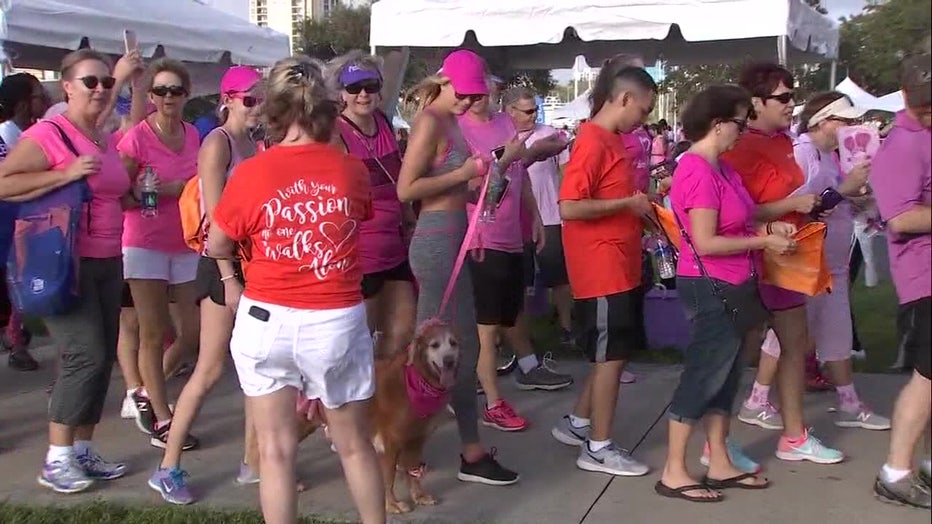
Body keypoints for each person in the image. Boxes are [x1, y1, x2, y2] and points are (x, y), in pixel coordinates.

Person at [205, 56, 385, 524]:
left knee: (276, 450)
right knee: (354, 445)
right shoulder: (350, 170)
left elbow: (217, 241)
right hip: (335, 320)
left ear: (273, 113)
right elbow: (358, 216)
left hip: (267, 318)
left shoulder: (252, 173)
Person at [0, 49, 138, 493]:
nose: (100, 89)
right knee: (85, 353)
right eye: (90, 82)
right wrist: (64, 175)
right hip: (64, 260)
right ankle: (56, 457)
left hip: (106, 258)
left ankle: (81, 450)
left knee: (101, 361)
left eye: (105, 82)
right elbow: (4, 182)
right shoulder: (50, 133)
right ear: (68, 87)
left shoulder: (101, 135)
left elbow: (111, 189)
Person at [658, 84, 787, 502]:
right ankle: (675, 469)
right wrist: (763, 242)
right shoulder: (696, 169)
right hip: (710, 283)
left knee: (726, 376)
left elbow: (741, 217)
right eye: (740, 121)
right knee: (703, 374)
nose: (745, 129)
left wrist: (770, 225)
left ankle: (718, 460)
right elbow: (706, 240)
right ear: (718, 124)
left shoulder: (723, 168)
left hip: (734, 282)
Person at [397, 49, 518, 485]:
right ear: (445, 83)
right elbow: (406, 188)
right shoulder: (430, 120)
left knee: (451, 353)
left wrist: (481, 185)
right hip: (435, 244)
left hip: (453, 238)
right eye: (464, 95)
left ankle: (457, 448)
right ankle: (415, 447)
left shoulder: (449, 121)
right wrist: (464, 173)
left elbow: (452, 190)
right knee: (431, 356)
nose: (469, 104)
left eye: (475, 97)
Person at [148, 66, 263, 505]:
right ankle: (167, 466)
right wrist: (231, 277)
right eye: (249, 100)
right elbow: (218, 223)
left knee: (257, 369)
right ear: (228, 100)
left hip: (252, 264)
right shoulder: (218, 143)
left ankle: (254, 461)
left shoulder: (256, 144)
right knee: (210, 368)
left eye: (262, 100)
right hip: (222, 265)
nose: (257, 108)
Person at [723, 63, 843, 464]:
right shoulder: (737, 146)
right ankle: (717, 443)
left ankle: (794, 436)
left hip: (789, 258)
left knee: (795, 346)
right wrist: (791, 206)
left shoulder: (784, 141)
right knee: (734, 352)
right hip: (751, 260)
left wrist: (806, 212)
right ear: (756, 102)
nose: (793, 104)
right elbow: (735, 211)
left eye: (793, 95)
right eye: (785, 97)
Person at [549, 63, 657, 476]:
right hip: (601, 266)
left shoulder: (613, 140)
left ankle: (579, 424)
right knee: (610, 356)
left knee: (611, 355)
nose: (643, 120)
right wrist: (627, 205)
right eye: (643, 110)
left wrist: (638, 207)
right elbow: (570, 206)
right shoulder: (593, 141)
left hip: (619, 261)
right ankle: (598, 446)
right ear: (624, 99)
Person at [458, 81, 573, 432]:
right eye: (470, 92)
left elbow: (520, 178)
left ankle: (513, 371)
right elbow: (475, 191)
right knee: (486, 326)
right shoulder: (458, 128)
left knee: (510, 313)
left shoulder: (505, 126)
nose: (478, 99)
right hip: (481, 237)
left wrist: (535, 218)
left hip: (512, 234)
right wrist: (504, 162)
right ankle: (491, 401)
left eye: (483, 92)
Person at [789, 92, 889, 430]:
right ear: (823, 121)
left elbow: (834, 201)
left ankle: (848, 401)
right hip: (805, 262)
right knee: (788, 338)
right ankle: (761, 400)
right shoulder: (802, 154)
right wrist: (845, 189)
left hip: (830, 263)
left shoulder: (828, 156)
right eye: (845, 121)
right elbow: (797, 205)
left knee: (834, 330)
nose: (851, 127)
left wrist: (861, 199)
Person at [118, 58, 201, 449]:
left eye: (176, 90)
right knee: (152, 332)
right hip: (144, 241)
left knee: (191, 334)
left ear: (187, 94)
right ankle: (163, 419)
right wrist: (154, 192)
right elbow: (118, 190)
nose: (169, 97)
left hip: (185, 240)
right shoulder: (137, 136)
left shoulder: (194, 135)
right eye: (161, 90)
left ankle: (147, 395)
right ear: (150, 96)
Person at [326, 51, 416, 363]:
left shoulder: (384, 123)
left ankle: (380, 395)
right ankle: (357, 402)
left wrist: (409, 218)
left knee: (402, 331)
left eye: (370, 86)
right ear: (341, 93)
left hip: (394, 246)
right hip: (359, 253)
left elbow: (397, 179)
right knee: (358, 341)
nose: (363, 94)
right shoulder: (336, 133)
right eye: (353, 88)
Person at [871, 52, 932, 509]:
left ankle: (926, 466)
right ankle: (896, 472)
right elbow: (899, 218)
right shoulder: (903, 146)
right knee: (927, 377)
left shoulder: (924, 135)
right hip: (924, 277)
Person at [503, 86, 576, 347]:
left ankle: (567, 328)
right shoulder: (501, 137)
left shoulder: (550, 134)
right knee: (518, 280)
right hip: (514, 220)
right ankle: (518, 334)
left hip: (550, 216)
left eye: (536, 109)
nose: (534, 115)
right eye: (528, 111)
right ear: (510, 111)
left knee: (559, 276)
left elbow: (567, 172)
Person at [0, 72, 50, 371]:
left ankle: (19, 340)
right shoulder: (5, 140)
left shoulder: (34, 136)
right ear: (21, 104)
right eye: (37, 96)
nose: (44, 100)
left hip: (22, 228)